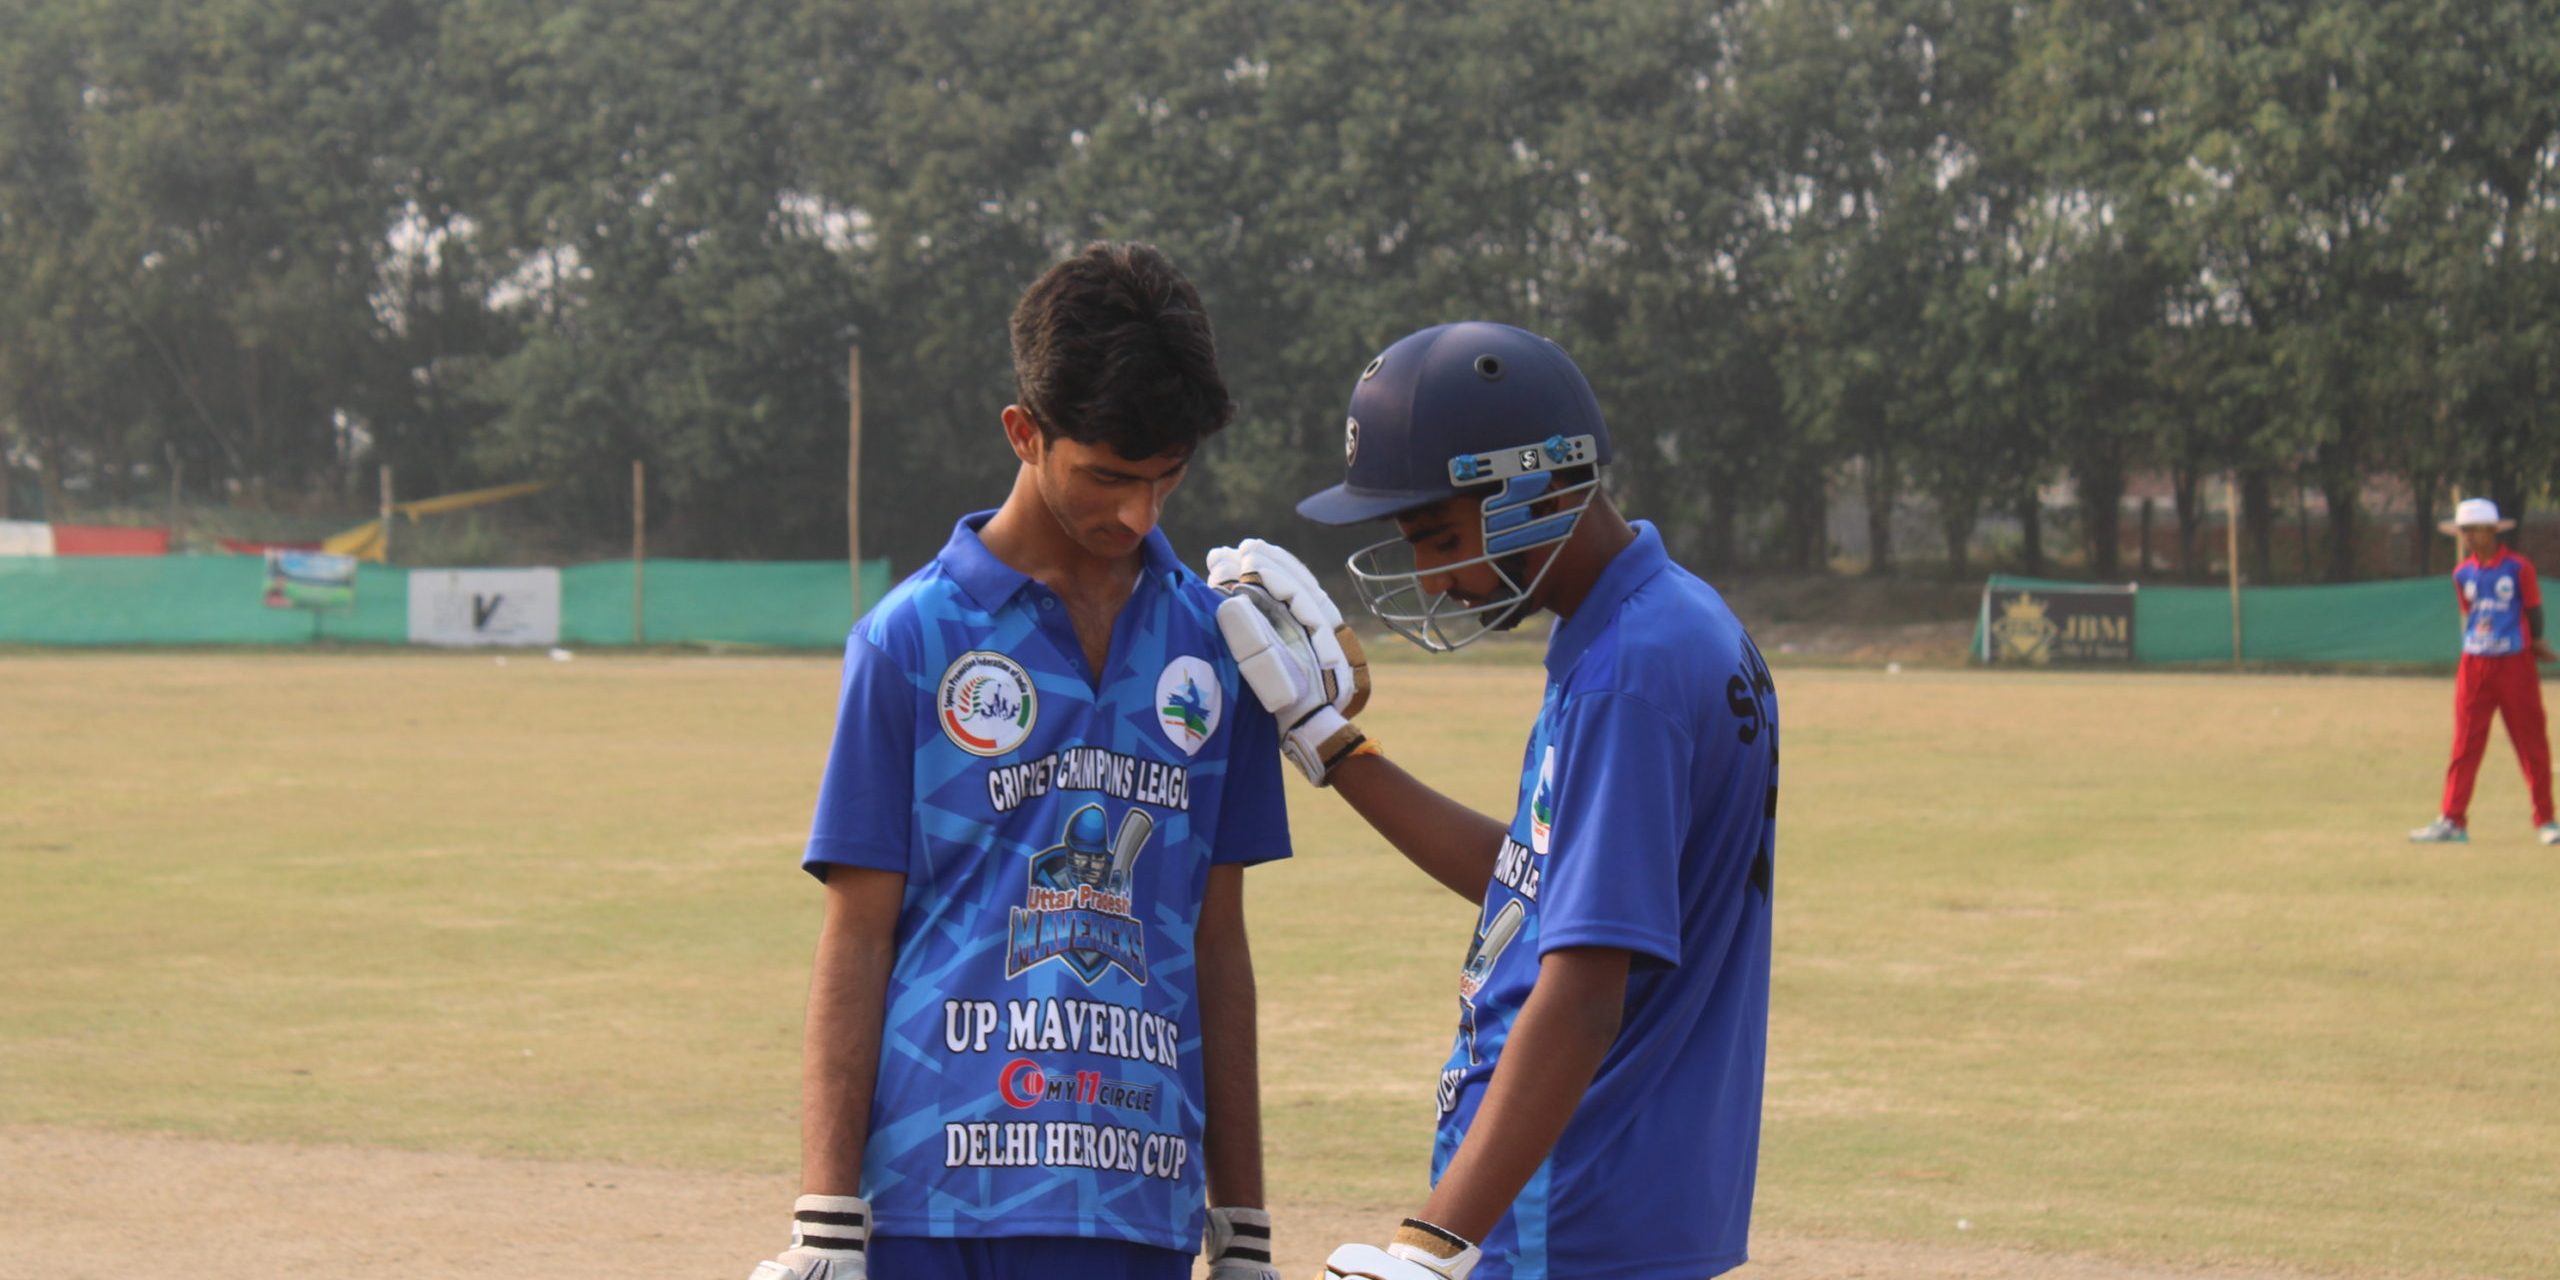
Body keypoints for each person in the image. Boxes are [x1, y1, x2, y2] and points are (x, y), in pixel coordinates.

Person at [747, 243, 1289, 1280]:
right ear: (1023, 431)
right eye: (1108, 475)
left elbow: (1218, 943)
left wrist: (1246, 1222)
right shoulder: (908, 639)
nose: (1138, 513)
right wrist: (825, 1214)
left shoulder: (1221, 648)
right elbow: (856, 935)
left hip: (1137, 1195)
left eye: (1167, 476)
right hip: (932, 1196)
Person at [1204, 322, 1777, 1279]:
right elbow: (1535, 881)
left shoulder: (1625, 675)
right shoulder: (1666, 622)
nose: (1431, 576)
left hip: (1572, 1205)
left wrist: (1432, 1243)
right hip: (1625, 1201)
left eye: (1438, 536)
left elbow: (1585, 992)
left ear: (1544, 486)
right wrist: (1328, 742)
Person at [2410, 497, 2560, 846]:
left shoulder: (2518, 568)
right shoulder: (2462, 573)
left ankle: (2547, 821)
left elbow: (2533, 610)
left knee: (2531, 742)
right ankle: (2452, 820)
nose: (2469, 538)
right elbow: (2471, 612)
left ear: (2492, 531)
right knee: (2466, 743)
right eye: (2463, 532)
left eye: (2474, 531)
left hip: (2515, 663)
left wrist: (2535, 640)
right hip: (2475, 665)